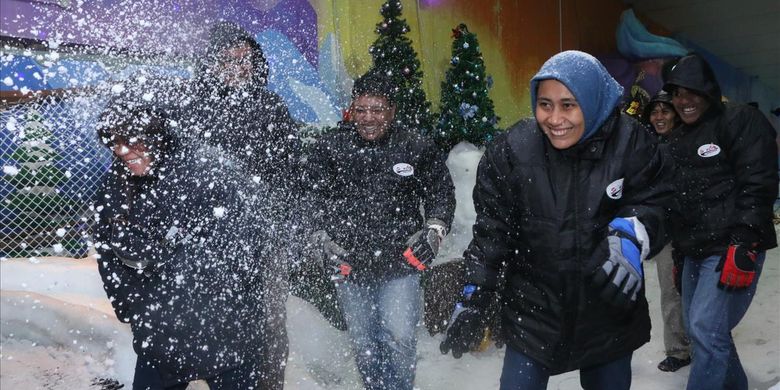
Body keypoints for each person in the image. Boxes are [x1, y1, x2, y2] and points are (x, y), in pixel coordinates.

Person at [439, 50, 675, 390]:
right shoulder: (512, 152)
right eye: (545, 104)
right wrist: (474, 295)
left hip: (607, 313)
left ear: (593, 100)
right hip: (534, 316)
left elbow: (659, 200)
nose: (554, 118)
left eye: (568, 104)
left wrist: (632, 231)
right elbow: (492, 234)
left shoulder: (631, 142)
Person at [93, 92, 275, 389]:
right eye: (114, 141)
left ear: (156, 136)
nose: (123, 150)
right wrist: (131, 307)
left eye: (132, 139)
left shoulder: (207, 172)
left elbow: (243, 251)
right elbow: (107, 251)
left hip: (224, 328)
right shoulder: (115, 183)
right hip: (159, 332)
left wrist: (182, 290)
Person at [306, 70, 455, 390]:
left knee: (399, 338)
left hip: (401, 263)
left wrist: (435, 228)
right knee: (364, 343)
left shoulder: (414, 146)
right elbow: (309, 198)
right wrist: (320, 238)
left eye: (376, 110)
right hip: (349, 264)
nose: (368, 118)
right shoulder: (330, 147)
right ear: (351, 110)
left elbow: (440, 191)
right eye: (361, 110)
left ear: (392, 111)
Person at [182, 21, 309, 389]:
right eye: (229, 60)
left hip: (265, 241)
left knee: (268, 326)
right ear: (212, 64)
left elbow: (291, 177)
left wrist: (288, 231)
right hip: (209, 241)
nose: (239, 67)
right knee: (210, 321)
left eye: (246, 60)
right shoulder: (195, 108)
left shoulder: (271, 107)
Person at [662, 53, 778, 390]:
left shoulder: (740, 120)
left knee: (706, 328)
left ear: (709, 89)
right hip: (693, 251)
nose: (684, 101)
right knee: (704, 331)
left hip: (731, 246)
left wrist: (744, 242)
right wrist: (678, 255)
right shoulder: (676, 140)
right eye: (677, 94)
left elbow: (758, 181)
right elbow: (675, 202)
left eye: (692, 91)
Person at [642, 90, 692, 372]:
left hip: (696, 230)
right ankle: (679, 350)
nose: (659, 117)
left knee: (698, 289)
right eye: (655, 112)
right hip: (667, 234)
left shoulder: (692, 141)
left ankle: (705, 341)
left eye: (665, 111)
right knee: (671, 291)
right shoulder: (648, 148)